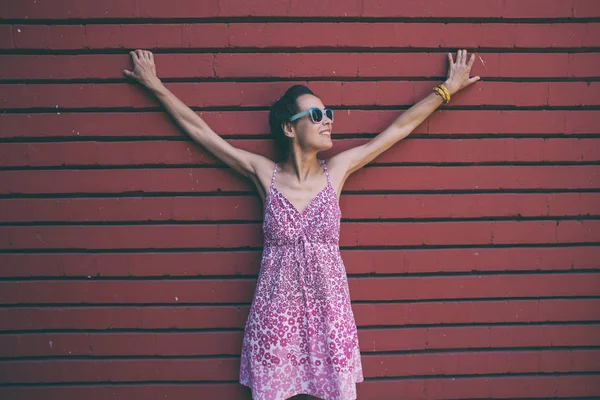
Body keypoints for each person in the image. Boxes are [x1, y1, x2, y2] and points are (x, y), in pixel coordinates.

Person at [124, 49, 479, 400]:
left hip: (330, 316)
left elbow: (397, 130)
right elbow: (202, 133)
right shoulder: (264, 174)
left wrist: (446, 89)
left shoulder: (336, 172)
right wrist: (154, 84)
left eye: (329, 113)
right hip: (275, 318)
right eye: (316, 114)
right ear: (289, 128)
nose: (328, 120)